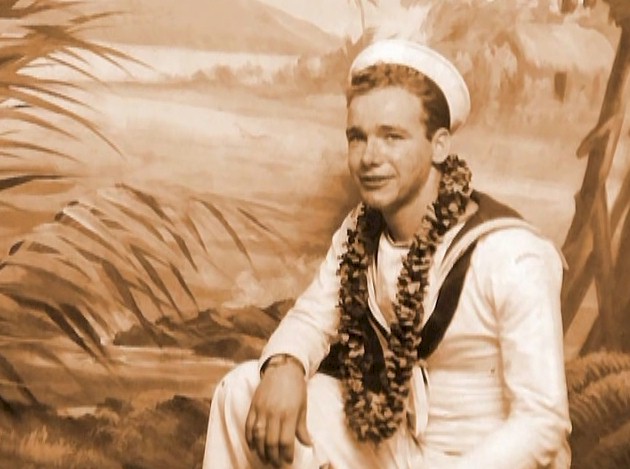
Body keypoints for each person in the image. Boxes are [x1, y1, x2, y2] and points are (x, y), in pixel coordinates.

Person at [203, 38, 571, 469]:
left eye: (392, 137)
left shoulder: (511, 253)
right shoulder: (360, 230)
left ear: (439, 145)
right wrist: (286, 364)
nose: (369, 157)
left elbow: (543, 423)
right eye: (357, 138)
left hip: (484, 460)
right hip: (393, 447)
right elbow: (313, 317)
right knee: (244, 389)